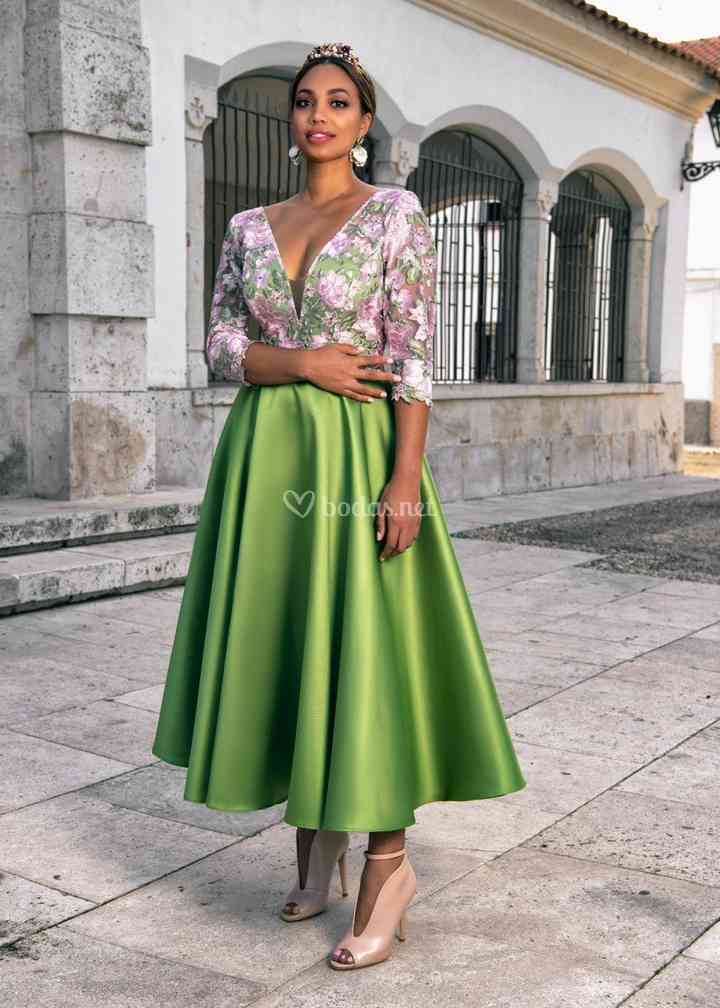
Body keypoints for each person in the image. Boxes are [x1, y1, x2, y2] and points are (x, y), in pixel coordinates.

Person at [151, 41, 527, 972]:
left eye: (340, 102)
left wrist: (407, 480)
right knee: (287, 632)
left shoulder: (394, 213)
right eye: (306, 101)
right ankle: (313, 836)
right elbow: (217, 342)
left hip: (360, 456)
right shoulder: (247, 225)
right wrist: (301, 362)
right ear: (293, 121)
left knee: (364, 640)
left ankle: (388, 865)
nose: (319, 114)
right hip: (264, 449)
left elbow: (414, 352)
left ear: (363, 123)